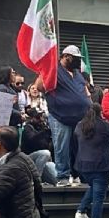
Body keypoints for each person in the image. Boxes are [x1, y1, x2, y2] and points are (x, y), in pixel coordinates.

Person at [38, 45, 91, 186]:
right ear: (67, 57)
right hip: (60, 116)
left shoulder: (77, 73)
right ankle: (62, 177)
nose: (79, 62)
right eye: (76, 59)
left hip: (79, 118)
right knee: (62, 147)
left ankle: (78, 174)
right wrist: (45, 69)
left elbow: (85, 92)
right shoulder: (54, 70)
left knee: (78, 148)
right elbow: (40, 87)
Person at [73, 104, 109, 218]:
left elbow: (75, 142)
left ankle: (81, 210)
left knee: (94, 187)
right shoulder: (105, 126)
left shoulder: (79, 125)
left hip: (82, 165)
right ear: (101, 113)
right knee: (99, 198)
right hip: (101, 165)